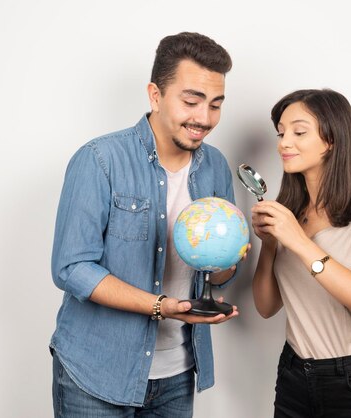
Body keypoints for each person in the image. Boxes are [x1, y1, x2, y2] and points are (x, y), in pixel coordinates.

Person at [50, 32, 244, 417]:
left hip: (178, 374)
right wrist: (161, 307)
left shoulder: (216, 167)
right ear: (155, 95)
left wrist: (228, 259)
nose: (204, 119)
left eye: (216, 105)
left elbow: (217, 275)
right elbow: (71, 268)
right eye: (191, 101)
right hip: (97, 373)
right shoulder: (99, 159)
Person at [251, 89, 351, 417]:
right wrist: (269, 245)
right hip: (294, 377)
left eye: (299, 131)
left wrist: (298, 240)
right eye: (281, 133)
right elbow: (266, 307)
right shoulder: (290, 212)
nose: (284, 143)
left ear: (332, 139)